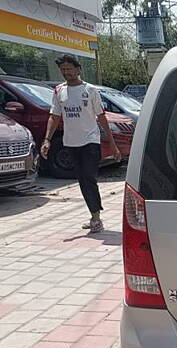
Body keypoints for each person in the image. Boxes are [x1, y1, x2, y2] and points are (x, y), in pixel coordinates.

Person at [41, 54, 121, 233]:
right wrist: (47, 140)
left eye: (69, 69)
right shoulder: (59, 91)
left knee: (89, 177)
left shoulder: (90, 90)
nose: (66, 72)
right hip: (71, 142)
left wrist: (112, 144)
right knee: (83, 180)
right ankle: (94, 214)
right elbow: (54, 116)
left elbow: (101, 117)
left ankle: (96, 217)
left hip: (90, 141)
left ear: (78, 70)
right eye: (63, 70)